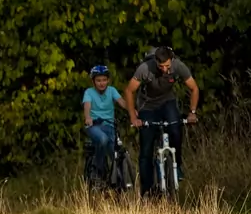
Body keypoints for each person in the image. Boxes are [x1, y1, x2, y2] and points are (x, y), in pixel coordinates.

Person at [125, 46, 200, 196]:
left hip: (167, 102)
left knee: (175, 127)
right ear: (155, 62)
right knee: (146, 147)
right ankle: (146, 191)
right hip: (148, 105)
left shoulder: (178, 65)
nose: (165, 69)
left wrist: (192, 113)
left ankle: (177, 164)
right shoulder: (145, 68)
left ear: (171, 60)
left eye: (167, 66)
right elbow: (129, 90)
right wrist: (134, 117)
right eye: (161, 66)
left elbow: (194, 88)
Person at [82, 65, 129, 182]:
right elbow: (87, 105)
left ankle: (116, 181)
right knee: (102, 139)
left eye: (104, 80)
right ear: (93, 81)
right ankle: (97, 169)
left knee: (116, 154)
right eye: (98, 80)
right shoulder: (89, 92)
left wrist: (132, 111)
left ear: (108, 80)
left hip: (109, 125)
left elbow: (122, 102)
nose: (101, 83)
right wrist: (88, 117)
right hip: (94, 126)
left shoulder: (112, 90)